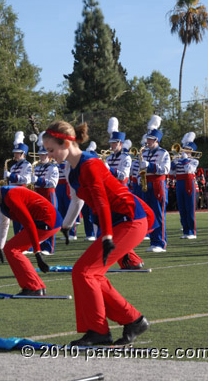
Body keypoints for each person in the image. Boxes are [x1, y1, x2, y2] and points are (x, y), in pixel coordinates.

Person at [43, 121, 155, 346]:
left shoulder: (90, 164)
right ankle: (132, 320)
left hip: (130, 220)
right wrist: (66, 225)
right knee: (85, 273)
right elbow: (77, 200)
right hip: (118, 223)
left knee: (86, 272)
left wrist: (107, 237)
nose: (49, 155)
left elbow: (102, 202)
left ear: (66, 143)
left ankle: (100, 332)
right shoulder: (70, 167)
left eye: (51, 150)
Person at [0, 173, 63, 295]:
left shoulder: (10, 196)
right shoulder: (0, 199)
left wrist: (37, 253)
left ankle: (34, 287)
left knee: (12, 249)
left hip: (48, 221)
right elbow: (4, 223)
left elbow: (29, 223)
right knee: (10, 249)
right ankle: (35, 286)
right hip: (44, 221)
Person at [105, 117, 144, 269]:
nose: (112, 146)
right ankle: (126, 260)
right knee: (113, 229)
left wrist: (109, 169)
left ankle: (132, 260)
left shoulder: (126, 158)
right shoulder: (108, 157)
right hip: (110, 194)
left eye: (114, 143)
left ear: (120, 144)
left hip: (121, 193)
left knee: (121, 229)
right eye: (111, 143)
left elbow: (122, 175)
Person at [139, 115, 170, 252]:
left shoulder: (164, 153)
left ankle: (160, 243)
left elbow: (166, 169)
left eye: (150, 139)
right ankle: (153, 241)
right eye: (147, 139)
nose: (148, 141)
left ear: (156, 140)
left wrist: (150, 166)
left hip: (158, 185)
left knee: (158, 213)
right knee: (149, 214)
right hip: (147, 184)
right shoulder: (144, 153)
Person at [31, 132, 59, 255]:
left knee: (50, 221)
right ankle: (39, 246)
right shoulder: (36, 168)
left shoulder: (53, 168)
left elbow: (52, 183)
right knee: (38, 220)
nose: (42, 157)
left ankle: (49, 248)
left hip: (49, 194)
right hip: (38, 194)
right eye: (40, 155)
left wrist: (38, 180)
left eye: (44, 155)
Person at [170, 132, 199, 239]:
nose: (184, 151)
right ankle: (186, 231)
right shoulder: (179, 160)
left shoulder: (194, 161)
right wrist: (174, 162)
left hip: (189, 183)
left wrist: (185, 159)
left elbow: (189, 170)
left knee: (190, 208)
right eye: (183, 149)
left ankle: (192, 232)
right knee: (182, 208)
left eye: (187, 149)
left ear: (191, 151)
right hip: (179, 183)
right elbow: (171, 172)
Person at [3, 131, 32, 235]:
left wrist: (11, 175)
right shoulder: (14, 166)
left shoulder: (27, 165)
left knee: (23, 219)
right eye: (14, 153)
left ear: (23, 154)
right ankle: (17, 241)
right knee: (15, 219)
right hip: (13, 193)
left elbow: (26, 180)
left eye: (17, 153)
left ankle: (27, 244)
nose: (15, 155)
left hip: (22, 193)